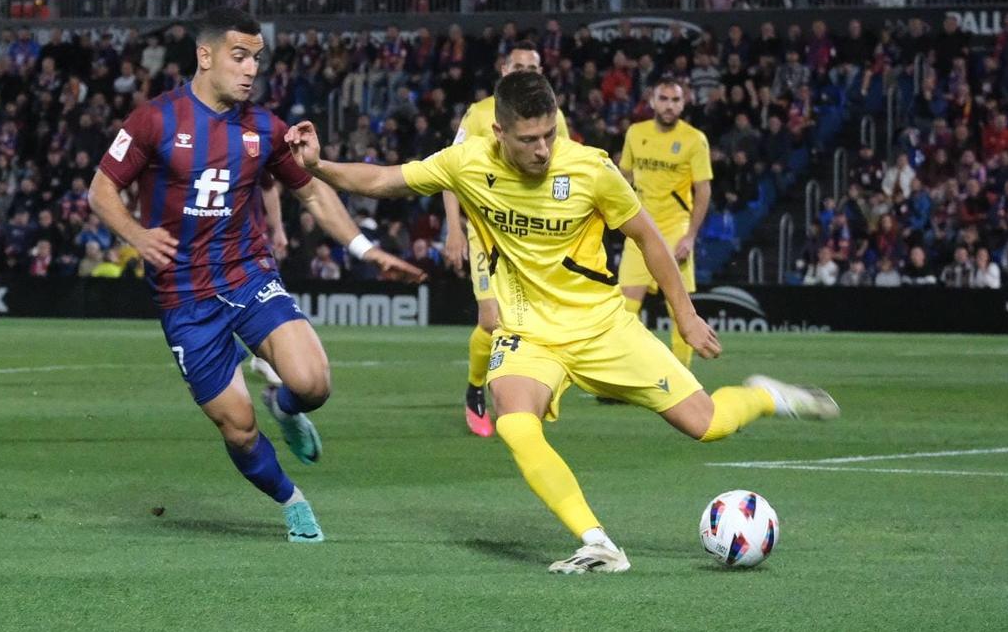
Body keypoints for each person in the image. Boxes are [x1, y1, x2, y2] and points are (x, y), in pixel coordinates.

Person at [287, 71, 839, 573]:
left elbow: (649, 238)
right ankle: (597, 542)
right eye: (529, 139)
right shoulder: (467, 162)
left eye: (549, 133)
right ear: (499, 131)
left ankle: (765, 396)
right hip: (529, 333)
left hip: (603, 327)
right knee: (513, 419)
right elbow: (385, 179)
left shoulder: (591, 168)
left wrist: (686, 315)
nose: (543, 148)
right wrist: (316, 166)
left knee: (708, 424)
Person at [88, 8, 424, 544]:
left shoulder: (264, 128)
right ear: (205, 56)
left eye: (256, 59)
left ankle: (285, 406)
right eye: (239, 56)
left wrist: (366, 248)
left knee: (313, 384)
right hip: (185, 297)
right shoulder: (155, 119)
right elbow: (101, 190)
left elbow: (311, 191)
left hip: (248, 276)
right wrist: (137, 234)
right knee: (238, 428)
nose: (250, 70)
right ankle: (292, 501)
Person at [444, 41, 571, 437]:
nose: (525, 73)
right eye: (518, 66)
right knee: (491, 318)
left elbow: (568, 174)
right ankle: (474, 390)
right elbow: (448, 172)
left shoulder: (554, 118)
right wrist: (453, 229)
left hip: (535, 237)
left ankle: (534, 386)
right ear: (503, 69)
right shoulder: (481, 114)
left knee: (540, 319)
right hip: (488, 233)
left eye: (533, 67)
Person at [617, 78, 711, 367]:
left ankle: (681, 379)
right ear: (652, 101)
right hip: (638, 227)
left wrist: (691, 236)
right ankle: (622, 375)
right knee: (625, 308)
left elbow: (703, 190)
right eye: (664, 99)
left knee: (678, 308)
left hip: (674, 229)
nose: (669, 106)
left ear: (684, 103)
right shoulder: (635, 133)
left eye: (675, 100)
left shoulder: (694, 139)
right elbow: (624, 178)